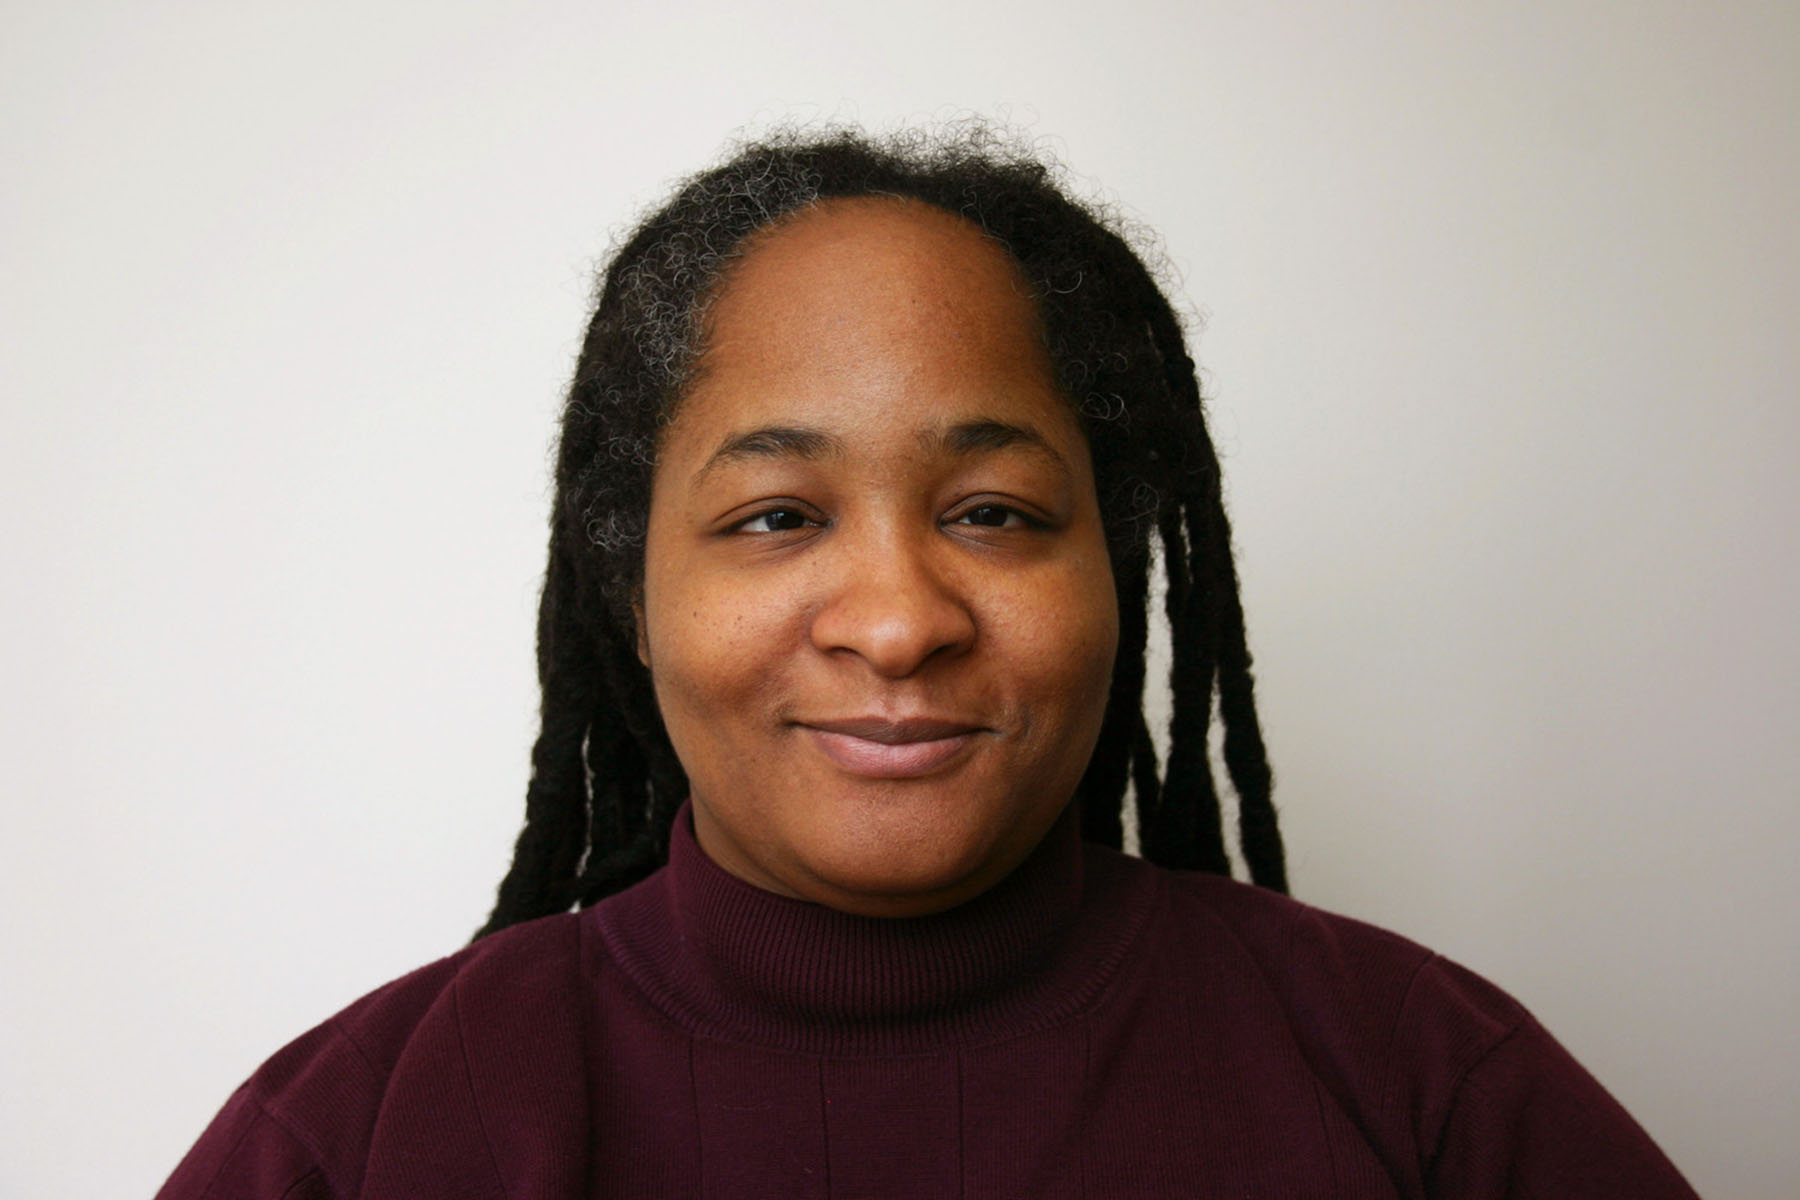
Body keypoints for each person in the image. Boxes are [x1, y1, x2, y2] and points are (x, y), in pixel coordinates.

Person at [158, 127, 1697, 1198]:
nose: (897, 621)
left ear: (1118, 560)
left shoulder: (1428, 1088)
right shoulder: (357, 1140)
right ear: (630, 595)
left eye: (994, 512)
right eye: (774, 515)